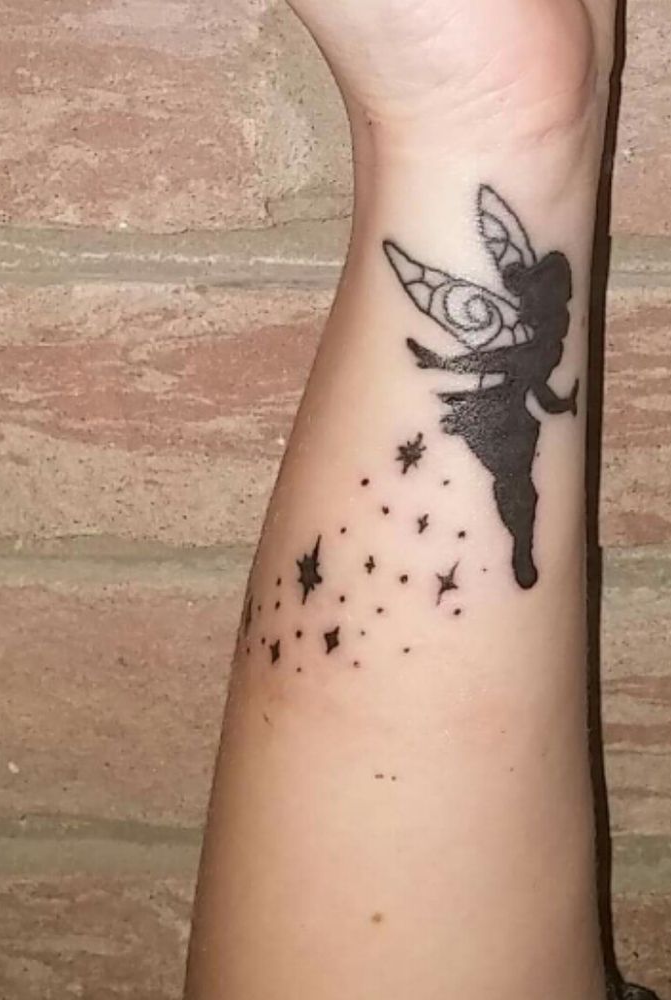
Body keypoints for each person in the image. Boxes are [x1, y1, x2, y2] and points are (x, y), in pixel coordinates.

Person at [184, 2, 617, 998]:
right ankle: (513, 544)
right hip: (488, 419)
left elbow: (516, 371)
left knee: (511, 499)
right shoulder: (527, 328)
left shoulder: (527, 334)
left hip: (493, 422)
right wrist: (504, 122)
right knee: (510, 499)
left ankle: (513, 545)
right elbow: (506, 363)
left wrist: (479, 128)